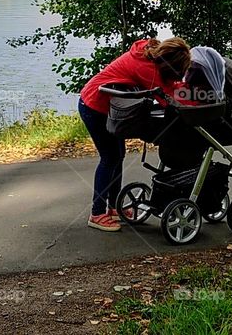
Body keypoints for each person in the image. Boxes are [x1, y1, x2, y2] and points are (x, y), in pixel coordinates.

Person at [79, 37, 192, 231]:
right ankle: (97, 213)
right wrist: (195, 96)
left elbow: (169, 87)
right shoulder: (148, 70)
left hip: (111, 108)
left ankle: (114, 207)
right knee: (110, 157)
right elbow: (167, 98)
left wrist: (188, 89)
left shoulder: (150, 53)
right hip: (94, 107)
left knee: (118, 156)